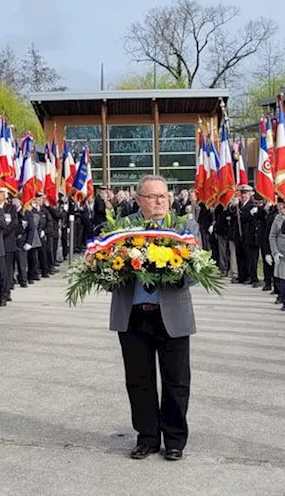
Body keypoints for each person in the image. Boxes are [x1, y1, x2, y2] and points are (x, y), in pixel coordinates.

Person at [111, 175, 197, 462]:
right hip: (134, 315)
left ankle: (174, 440)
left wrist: (174, 271)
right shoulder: (122, 229)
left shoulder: (184, 226)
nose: (159, 201)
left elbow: (198, 271)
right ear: (138, 201)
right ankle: (147, 437)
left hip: (171, 315)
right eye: (152, 196)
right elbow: (105, 270)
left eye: (163, 196)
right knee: (139, 380)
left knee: (177, 381)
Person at [269, 198, 285, 311]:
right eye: (284, 207)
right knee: (284, 280)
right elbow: (272, 236)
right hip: (282, 253)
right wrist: (274, 252)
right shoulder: (278, 219)